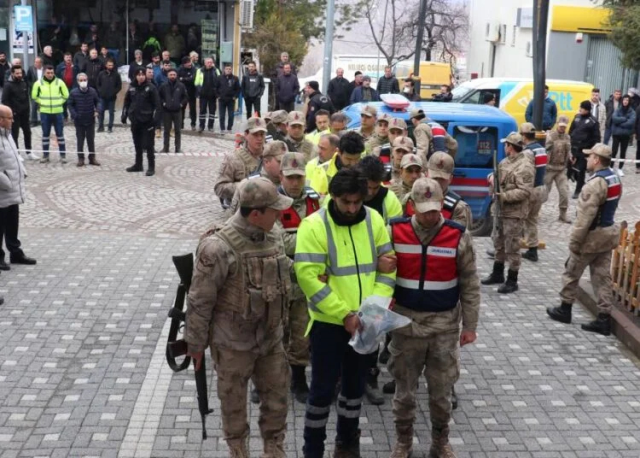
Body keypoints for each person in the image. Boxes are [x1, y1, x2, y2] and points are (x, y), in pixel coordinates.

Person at [185, 176, 293, 458]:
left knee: (277, 403)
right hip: (233, 345)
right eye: (274, 210)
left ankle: (274, 451)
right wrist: (195, 346)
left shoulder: (275, 234)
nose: (279, 214)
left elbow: (285, 272)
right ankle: (238, 452)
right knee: (233, 408)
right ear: (255, 214)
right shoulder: (217, 247)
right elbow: (199, 301)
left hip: (271, 342)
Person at [295, 166, 396, 458]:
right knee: (321, 392)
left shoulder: (374, 219)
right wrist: (344, 315)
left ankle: (347, 443)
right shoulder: (314, 226)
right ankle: (312, 450)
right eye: (345, 202)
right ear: (333, 197)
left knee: (354, 389)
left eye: (357, 202)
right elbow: (308, 278)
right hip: (329, 324)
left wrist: (374, 309)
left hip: (366, 322)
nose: (352, 208)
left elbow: (389, 267)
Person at [388, 177, 479, 458]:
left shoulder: (457, 235)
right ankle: (404, 441)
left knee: (441, 394)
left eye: (434, 208)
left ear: (441, 204)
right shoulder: (394, 231)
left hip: (444, 327)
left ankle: (440, 442)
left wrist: (471, 325)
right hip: (405, 325)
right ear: (411, 205)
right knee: (404, 392)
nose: (430, 215)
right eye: (423, 208)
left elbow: (470, 283)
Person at [546, 144, 620, 337]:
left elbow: (584, 218)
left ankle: (565, 309)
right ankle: (604, 318)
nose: (586, 159)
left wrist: (575, 242)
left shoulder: (595, 184)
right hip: (608, 233)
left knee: (572, 271)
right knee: (602, 276)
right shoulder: (614, 178)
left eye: (589, 157)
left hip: (592, 237)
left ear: (596, 160)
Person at [275, 152, 321, 404]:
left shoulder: (316, 201)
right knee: (273, 334)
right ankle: (264, 382)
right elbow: (277, 241)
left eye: (299, 177)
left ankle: (298, 378)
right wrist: (310, 240)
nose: (295, 182)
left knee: (302, 335)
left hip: (305, 286)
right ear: (281, 176)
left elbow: (326, 234)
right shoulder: (271, 201)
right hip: (278, 281)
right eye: (290, 177)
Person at [481, 132, 534, 294]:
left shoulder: (525, 166)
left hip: (514, 213)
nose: (504, 147)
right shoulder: (505, 161)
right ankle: (497, 273)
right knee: (498, 242)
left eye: (506, 145)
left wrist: (503, 196)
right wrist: (491, 177)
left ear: (510, 147)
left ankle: (512, 279)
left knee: (512, 246)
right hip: (500, 211)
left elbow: (525, 191)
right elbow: (498, 176)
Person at [0, 104, 37, 271]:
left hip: (13, 188)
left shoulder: (8, 135)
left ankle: (15, 251)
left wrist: (22, 171)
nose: (13, 120)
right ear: (1, 120)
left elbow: (15, 157)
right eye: (9, 118)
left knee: (12, 222)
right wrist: (6, 181)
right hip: (3, 189)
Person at [214, 117, 268, 206]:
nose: (259, 138)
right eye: (255, 134)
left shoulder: (271, 154)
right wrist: (245, 187)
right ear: (246, 134)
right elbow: (219, 188)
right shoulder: (233, 158)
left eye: (262, 134)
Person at [227, 140, 288, 215]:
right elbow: (236, 219)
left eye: (287, 161)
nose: (285, 165)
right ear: (266, 162)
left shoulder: (291, 181)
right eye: (280, 162)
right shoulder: (250, 185)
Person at [122, 69, 161, 176]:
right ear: (135, 76)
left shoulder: (151, 88)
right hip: (135, 120)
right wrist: (125, 114)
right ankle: (138, 165)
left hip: (147, 121)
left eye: (142, 74)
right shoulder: (132, 87)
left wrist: (155, 121)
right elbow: (127, 102)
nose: (141, 77)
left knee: (149, 145)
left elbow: (158, 105)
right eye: (138, 75)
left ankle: (151, 167)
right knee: (137, 144)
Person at [519, 123, 548, 263]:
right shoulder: (541, 149)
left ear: (524, 136)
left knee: (518, 218)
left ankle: (508, 249)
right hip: (541, 188)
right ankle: (532, 250)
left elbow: (526, 173)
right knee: (532, 220)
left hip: (531, 189)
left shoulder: (528, 152)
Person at [31, 65, 69, 164]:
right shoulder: (38, 83)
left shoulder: (59, 82)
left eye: (52, 73)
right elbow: (34, 96)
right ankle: (45, 155)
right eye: (48, 73)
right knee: (45, 135)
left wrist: (59, 102)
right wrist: (42, 102)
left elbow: (66, 95)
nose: (50, 74)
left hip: (58, 112)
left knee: (60, 135)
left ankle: (63, 155)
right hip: (45, 112)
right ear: (44, 73)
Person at [426, 151, 472, 228]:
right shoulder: (413, 199)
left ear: (450, 179)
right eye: (434, 177)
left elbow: (461, 237)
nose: (437, 182)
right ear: (426, 174)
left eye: (442, 179)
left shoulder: (459, 208)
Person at [312, 131, 365, 196]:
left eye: (357, 158)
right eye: (349, 159)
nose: (353, 164)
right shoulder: (321, 171)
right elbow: (316, 200)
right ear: (338, 152)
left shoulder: (366, 170)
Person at [68, 72, 101, 167]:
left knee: (91, 140)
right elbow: (70, 104)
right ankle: (80, 158)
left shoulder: (92, 91)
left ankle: (92, 158)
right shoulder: (74, 92)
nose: (83, 82)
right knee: (80, 140)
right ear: (78, 81)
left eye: (85, 80)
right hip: (79, 121)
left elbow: (98, 102)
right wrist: (74, 115)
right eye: (81, 80)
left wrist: (97, 110)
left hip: (90, 119)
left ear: (87, 80)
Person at [569, 100, 600, 198]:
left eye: (581, 108)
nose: (579, 109)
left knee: (581, 170)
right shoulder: (577, 117)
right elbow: (571, 130)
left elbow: (596, 137)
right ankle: (580, 182)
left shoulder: (593, 121)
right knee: (570, 169)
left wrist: (591, 150)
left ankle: (578, 190)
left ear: (586, 110)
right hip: (574, 148)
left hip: (584, 149)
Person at [1, 67, 34, 161]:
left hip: (24, 113)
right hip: (14, 114)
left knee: (28, 132)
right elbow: (4, 100)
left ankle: (29, 152)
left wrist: (28, 110)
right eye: (17, 73)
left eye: (20, 73)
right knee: (15, 134)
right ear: (12, 73)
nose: (19, 75)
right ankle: (17, 153)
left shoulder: (23, 83)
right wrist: (10, 113)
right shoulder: (8, 85)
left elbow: (26, 97)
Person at [544, 116, 572, 223]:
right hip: (549, 169)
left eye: (564, 127)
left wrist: (570, 157)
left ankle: (562, 215)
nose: (562, 128)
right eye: (561, 126)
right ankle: (534, 212)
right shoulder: (550, 136)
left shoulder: (567, 137)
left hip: (561, 169)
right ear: (557, 124)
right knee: (544, 194)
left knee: (564, 192)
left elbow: (569, 150)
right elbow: (545, 149)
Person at [159, 68, 187, 153]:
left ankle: (177, 148)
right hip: (167, 111)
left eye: (174, 75)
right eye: (171, 75)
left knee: (178, 130)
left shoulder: (181, 86)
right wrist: (163, 103)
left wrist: (181, 104)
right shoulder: (163, 85)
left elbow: (185, 97)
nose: (172, 76)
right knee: (166, 130)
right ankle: (165, 148)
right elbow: (159, 96)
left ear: (176, 75)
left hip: (177, 111)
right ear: (167, 76)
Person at [610, 94, 635, 177]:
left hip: (625, 135)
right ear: (622, 101)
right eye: (624, 100)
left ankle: (620, 169)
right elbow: (614, 119)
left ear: (629, 101)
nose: (625, 101)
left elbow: (631, 123)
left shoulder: (632, 112)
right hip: (616, 134)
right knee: (614, 151)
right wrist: (624, 119)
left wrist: (619, 123)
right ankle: (610, 167)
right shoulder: (618, 110)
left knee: (623, 152)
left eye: (627, 100)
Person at [96, 59, 121, 133]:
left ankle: (110, 127)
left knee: (111, 113)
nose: (111, 66)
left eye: (112, 65)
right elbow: (98, 84)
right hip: (102, 97)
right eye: (109, 65)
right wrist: (100, 91)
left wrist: (114, 92)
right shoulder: (101, 74)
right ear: (106, 65)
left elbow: (119, 86)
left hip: (112, 97)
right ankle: (101, 127)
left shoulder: (116, 74)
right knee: (101, 112)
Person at [195, 57, 220, 133]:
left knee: (212, 111)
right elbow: (196, 82)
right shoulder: (200, 70)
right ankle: (201, 126)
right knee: (202, 111)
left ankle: (210, 126)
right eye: (208, 62)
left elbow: (219, 81)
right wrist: (200, 90)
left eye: (211, 62)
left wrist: (217, 92)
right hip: (203, 94)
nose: (210, 64)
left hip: (212, 95)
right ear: (205, 63)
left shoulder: (216, 70)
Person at [216, 64, 240, 134]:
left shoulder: (235, 78)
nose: (228, 70)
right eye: (227, 69)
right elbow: (216, 88)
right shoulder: (219, 78)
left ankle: (229, 128)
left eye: (229, 69)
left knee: (231, 115)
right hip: (222, 99)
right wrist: (218, 96)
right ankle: (222, 128)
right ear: (224, 70)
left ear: (231, 70)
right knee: (222, 115)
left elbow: (238, 89)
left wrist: (235, 96)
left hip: (231, 100)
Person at [55, 53, 78, 121]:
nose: (68, 58)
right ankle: (65, 116)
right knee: (64, 102)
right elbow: (57, 76)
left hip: (73, 86)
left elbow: (78, 75)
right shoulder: (60, 66)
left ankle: (73, 116)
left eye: (70, 57)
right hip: (63, 87)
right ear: (64, 58)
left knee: (73, 102)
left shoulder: (75, 66)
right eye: (67, 57)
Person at [177, 56, 197, 131]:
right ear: (183, 64)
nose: (189, 64)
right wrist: (187, 78)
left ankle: (193, 124)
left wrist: (184, 78)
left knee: (192, 109)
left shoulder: (194, 69)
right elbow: (178, 79)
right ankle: (181, 124)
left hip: (192, 91)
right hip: (182, 92)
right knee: (182, 108)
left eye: (190, 62)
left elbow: (193, 79)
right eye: (187, 62)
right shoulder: (180, 69)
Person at [27, 57, 44, 127]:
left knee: (43, 105)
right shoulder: (31, 69)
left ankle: (43, 120)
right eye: (35, 62)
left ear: (41, 63)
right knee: (34, 106)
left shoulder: (45, 69)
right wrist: (33, 85)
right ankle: (34, 121)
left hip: (44, 90)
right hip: (34, 90)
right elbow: (28, 79)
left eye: (37, 62)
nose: (36, 64)